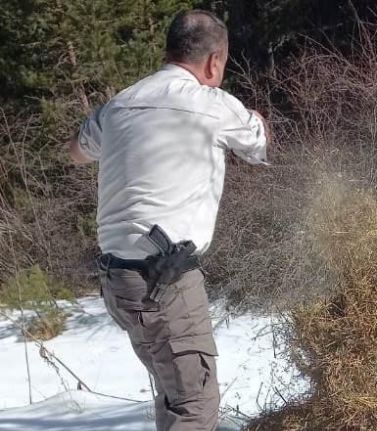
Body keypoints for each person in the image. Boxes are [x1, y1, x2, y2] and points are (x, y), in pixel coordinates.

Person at [67, 10, 269, 431]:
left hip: (117, 282)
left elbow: (77, 149)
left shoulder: (119, 104)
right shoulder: (212, 105)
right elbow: (259, 143)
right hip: (165, 280)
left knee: (175, 392)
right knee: (195, 403)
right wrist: (257, 120)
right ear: (215, 62)